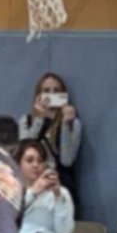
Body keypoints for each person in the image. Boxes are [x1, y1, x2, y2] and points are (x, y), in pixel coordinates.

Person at [18, 72, 83, 208]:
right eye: (46, 91)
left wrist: (65, 125)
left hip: (61, 187)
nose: (51, 95)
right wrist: (39, 120)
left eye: (56, 91)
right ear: (38, 95)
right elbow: (25, 151)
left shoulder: (73, 123)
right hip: (33, 187)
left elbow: (67, 160)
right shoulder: (26, 121)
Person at [16, 140, 74, 233]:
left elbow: (65, 231)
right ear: (18, 164)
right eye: (29, 160)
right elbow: (9, 216)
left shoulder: (61, 193)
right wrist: (34, 191)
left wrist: (58, 196)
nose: (36, 165)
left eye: (40, 161)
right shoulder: (12, 191)